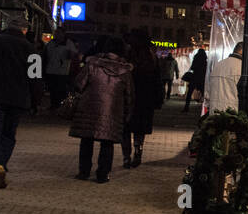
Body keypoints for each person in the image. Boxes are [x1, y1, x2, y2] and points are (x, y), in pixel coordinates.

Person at [69, 35, 133, 184]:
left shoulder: (92, 65)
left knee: (86, 140)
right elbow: (129, 95)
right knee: (107, 143)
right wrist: (127, 114)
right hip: (112, 111)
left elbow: (79, 84)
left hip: (89, 108)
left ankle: (84, 171)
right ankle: (102, 174)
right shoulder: (125, 71)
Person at [0, 12, 35, 188]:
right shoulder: (31, 49)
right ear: (24, 29)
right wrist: (34, 102)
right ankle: (0, 164)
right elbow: (35, 77)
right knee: (8, 134)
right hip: (18, 98)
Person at [124, 33, 163, 168]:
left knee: (126, 127)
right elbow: (158, 80)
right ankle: (138, 151)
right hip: (146, 98)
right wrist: (158, 99)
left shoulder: (129, 56)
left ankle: (126, 156)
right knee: (139, 129)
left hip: (129, 97)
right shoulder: (152, 58)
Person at [43, 27, 80, 110]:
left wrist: (70, 55)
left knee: (61, 89)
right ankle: (54, 105)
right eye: (56, 33)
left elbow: (73, 55)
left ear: (63, 34)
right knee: (53, 89)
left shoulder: (68, 43)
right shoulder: (51, 43)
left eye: (59, 33)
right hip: (51, 70)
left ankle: (60, 106)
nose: (57, 34)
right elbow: (46, 55)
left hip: (62, 71)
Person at [206, 42, 244, 113]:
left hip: (214, 112)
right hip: (232, 115)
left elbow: (208, 92)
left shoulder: (218, 65)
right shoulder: (242, 69)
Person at [182, 44, 208, 112]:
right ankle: (206, 108)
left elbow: (192, 68)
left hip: (194, 77)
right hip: (202, 78)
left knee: (190, 92)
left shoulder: (196, 58)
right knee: (203, 92)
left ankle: (186, 107)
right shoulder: (205, 61)